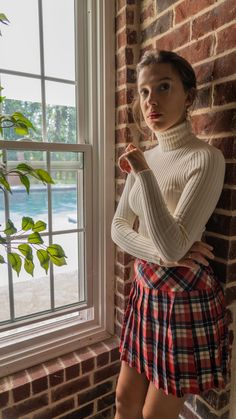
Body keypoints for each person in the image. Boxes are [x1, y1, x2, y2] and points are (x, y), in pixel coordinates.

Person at [111, 50, 230, 419]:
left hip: (182, 302)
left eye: (164, 87)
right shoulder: (144, 155)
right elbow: (119, 230)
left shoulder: (205, 159)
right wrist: (165, 255)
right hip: (146, 290)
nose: (151, 101)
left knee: (154, 415)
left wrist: (143, 173)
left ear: (189, 95)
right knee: (123, 400)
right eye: (144, 92)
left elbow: (174, 242)